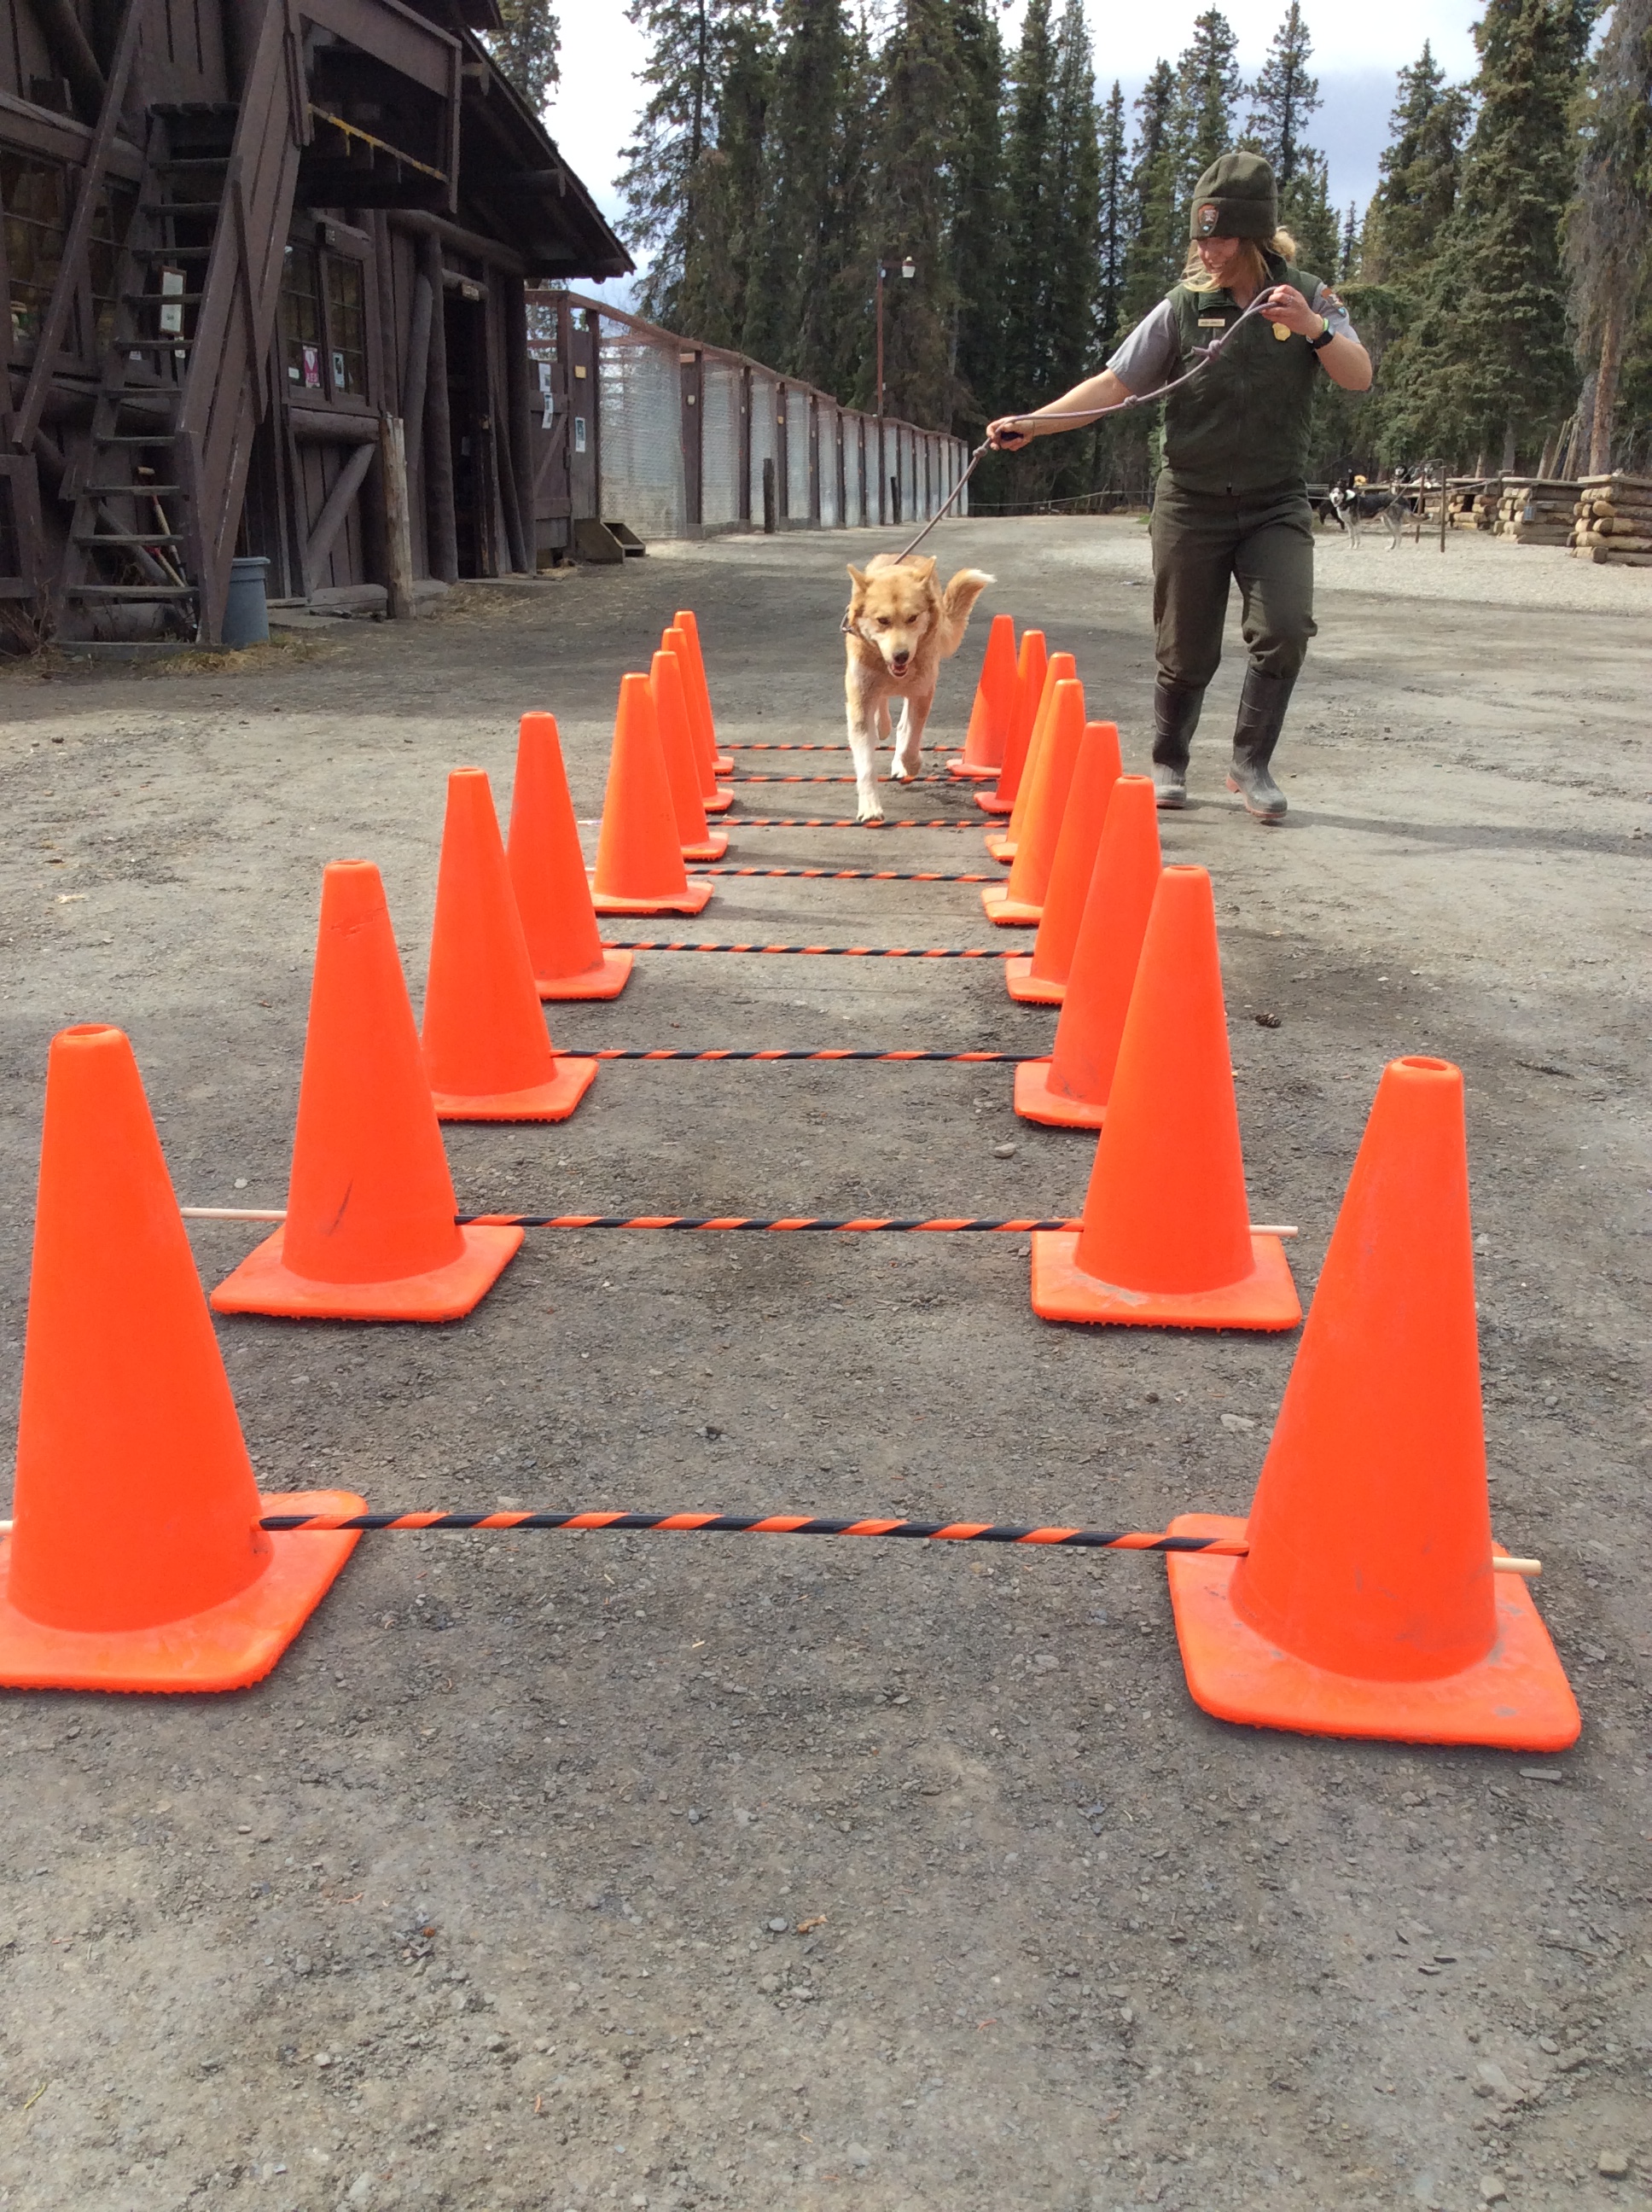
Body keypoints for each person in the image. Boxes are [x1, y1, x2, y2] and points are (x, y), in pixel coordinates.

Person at [986, 152, 1372, 819]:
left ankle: (1251, 763)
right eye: (1200, 236)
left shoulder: (1311, 296)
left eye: (1220, 237)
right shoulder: (1182, 308)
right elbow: (1116, 383)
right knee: (1184, 647)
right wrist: (1035, 423)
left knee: (1284, 629)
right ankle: (1170, 760)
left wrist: (1314, 329)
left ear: (1253, 236)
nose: (1207, 250)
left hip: (1273, 500)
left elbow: (1358, 374)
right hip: (1191, 501)